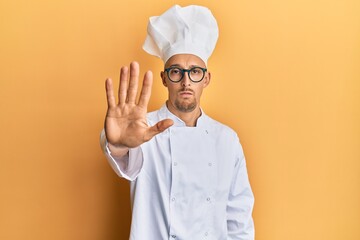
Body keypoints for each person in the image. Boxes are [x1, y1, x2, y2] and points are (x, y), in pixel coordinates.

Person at [100, 5, 255, 240]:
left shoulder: (227, 140)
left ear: (206, 78)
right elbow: (124, 161)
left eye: (194, 72)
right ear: (164, 78)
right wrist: (118, 145)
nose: (185, 82)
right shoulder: (144, 128)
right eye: (176, 72)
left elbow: (239, 219)